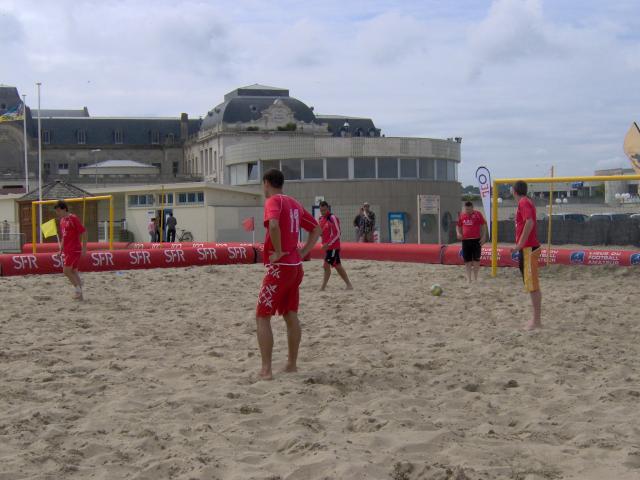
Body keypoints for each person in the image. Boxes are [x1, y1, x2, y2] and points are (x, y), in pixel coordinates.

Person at [256, 169, 322, 380]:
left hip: (280, 266)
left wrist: (277, 250)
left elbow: (273, 225)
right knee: (290, 314)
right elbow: (316, 229)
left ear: (266, 183)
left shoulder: (273, 202)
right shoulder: (294, 203)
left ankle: (266, 370)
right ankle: (292, 364)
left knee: (262, 316)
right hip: (295, 267)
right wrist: (303, 251)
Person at [511, 180, 542, 330]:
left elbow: (529, 222)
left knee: (533, 286)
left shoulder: (523, 202)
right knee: (531, 286)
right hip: (528, 248)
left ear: (513, 191)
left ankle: (536, 322)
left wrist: (519, 245)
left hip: (529, 249)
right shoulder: (526, 201)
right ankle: (536, 320)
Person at [54, 200, 87, 300]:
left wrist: (84, 248)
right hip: (67, 250)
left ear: (64, 209)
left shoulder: (73, 218)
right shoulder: (62, 221)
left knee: (66, 271)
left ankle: (78, 290)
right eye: (56, 211)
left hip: (74, 249)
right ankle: (80, 295)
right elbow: (64, 237)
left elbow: (84, 232)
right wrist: (60, 250)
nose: (57, 213)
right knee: (74, 271)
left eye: (59, 211)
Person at [318, 200, 353, 291]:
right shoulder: (321, 219)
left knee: (327, 265)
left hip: (333, 247)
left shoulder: (332, 218)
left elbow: (337, 233)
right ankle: (348, 285)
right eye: (321, 210)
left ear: (328, 208)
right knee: (336, 265)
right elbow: (321, 232)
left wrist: (327, 243)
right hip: (328, 247)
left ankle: (323, 287)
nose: (323, 212)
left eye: (324, 210)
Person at [456, 201, 487, 282]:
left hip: (476, 240)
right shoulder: (462, 215)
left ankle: (475, 278)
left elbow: (483, 225)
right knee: (467, 260)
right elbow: (458, 226)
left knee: (476, 259)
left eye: (469, 209)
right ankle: (469, 278)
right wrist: (458, 233)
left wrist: (484, 237)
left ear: (472, 208)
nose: (468, 211)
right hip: (465, 241)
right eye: (466, 209)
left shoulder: (478, 214)